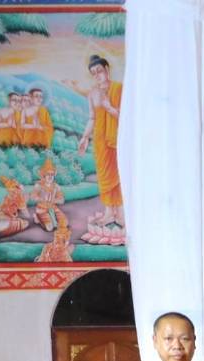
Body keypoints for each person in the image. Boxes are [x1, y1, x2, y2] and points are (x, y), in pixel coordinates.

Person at [77, 54, 123, 234]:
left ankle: (119, 213)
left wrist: (109, 106)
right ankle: (108, 212)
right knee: (104, 176)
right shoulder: (92, 94)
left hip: (117, 139)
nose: (97, 75)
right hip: (100, 140)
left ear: (107, 70)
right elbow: (92, 118)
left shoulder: (119, 89)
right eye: (93, 73)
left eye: (99, 71)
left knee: (117, 175)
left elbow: (126, 116)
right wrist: (84, 137)